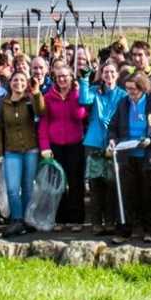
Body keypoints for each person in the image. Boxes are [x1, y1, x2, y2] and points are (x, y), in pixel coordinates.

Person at [107, 73, 151, 244]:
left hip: (148, 156)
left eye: (133, 89)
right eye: (127, 89)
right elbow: (112, 127)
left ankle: (149, 229)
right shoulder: (123, 104)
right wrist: (112, 139)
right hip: (127, 156)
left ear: (142, 88)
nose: (130, 92)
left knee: (147, 194)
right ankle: (125, 230)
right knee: (127, 194)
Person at [0, 69, 46, 237]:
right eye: (15, 80)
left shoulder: (30, 100)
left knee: (28, 187)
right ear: (10, 83)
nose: (19, 83)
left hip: (30, 149)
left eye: (22, 80)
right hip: (11, 151)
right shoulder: (3, 103)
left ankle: (27, 219)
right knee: (13, 189)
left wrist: (36, 92)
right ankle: (17, 220)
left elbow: (41, 112)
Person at [38, 59, 88, 231]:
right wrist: (45, 146)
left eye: (65, 76)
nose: (62, 80)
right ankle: (59, 218)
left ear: (71, 77)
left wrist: (77, 95)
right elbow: (44, 122)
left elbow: (80, 115)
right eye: (59, 77)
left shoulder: (78, 94)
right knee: (56, 183)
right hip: (55, 144)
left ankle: (76, 219)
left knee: (76, 182)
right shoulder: (48, 97)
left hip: (75, 144)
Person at [81, 60, 125, 236]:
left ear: (117, 74)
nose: (109, 75)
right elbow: (84, 99)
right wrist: (85, 79)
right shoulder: (95, 91)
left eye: (112, 72)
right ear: (101, 74)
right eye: (105, 72)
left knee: (112, 184)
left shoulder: (122, 94)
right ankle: (96, 222)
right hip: (93, 143)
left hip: (113, 143)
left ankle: (110, 221)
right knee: (96, 184)